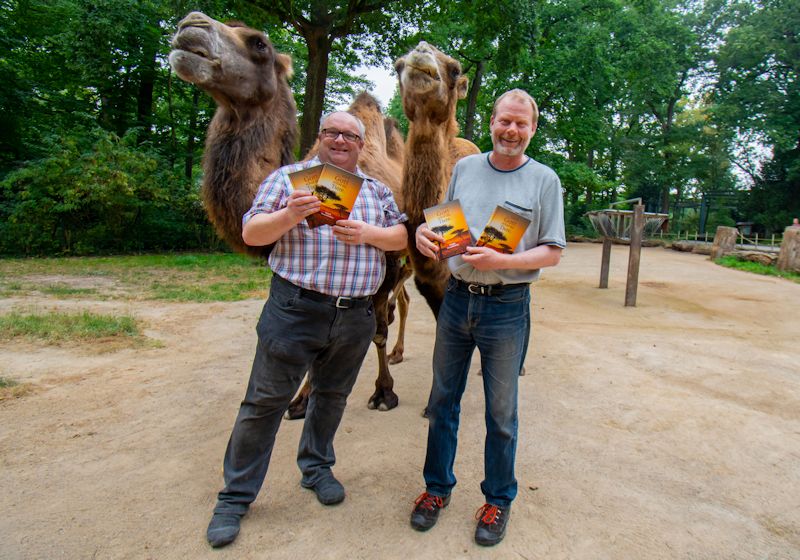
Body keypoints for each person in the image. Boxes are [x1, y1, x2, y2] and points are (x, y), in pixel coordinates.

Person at [206, 111, 408, 548]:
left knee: (331, 397)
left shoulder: (375, 191)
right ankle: (235, 497)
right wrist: (290, 215)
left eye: (350, 136)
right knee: (264, 402)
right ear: (319, 139)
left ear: (361, 144)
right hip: (295, 310)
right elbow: (252, 232)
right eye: (332, 133)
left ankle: (316, 468)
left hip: (355, 316)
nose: (341, 140)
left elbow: (402, 237)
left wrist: (370, 233)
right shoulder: (287, 180)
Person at [410, 89, 565, 546]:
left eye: (521, 124)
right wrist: (423, 234)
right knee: (443, 402)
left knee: (501, 414)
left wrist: (504, 263)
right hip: (455, 298)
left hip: (506, 307)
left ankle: (498, 499)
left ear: (532, 129)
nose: (511, 131)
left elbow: (552, 251)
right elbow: (442, 223)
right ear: (492, 122)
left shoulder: (544, 180)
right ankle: (436, 489)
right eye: (504, 121)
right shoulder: (464, 168)